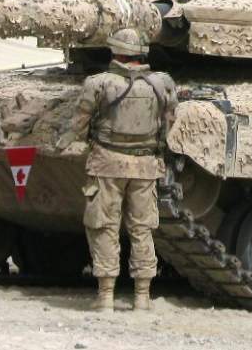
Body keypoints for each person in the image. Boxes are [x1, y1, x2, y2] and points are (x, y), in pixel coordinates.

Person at [63, 28, 178, 313]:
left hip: (107, 164)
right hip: (145, 165)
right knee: (142, 230)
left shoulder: (98, 83)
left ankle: (105, 297)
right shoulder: (161, 84)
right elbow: (170, 121)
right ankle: (141, 297)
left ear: (114, 51)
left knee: (104, 227)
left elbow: (79, 124)